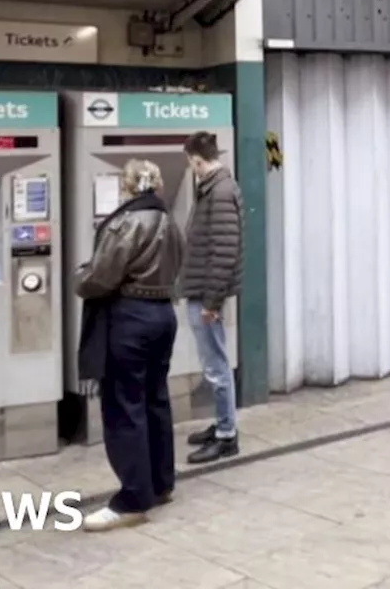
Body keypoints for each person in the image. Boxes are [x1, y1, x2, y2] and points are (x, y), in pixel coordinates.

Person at [75, 160, 184, 531]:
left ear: (125, 186)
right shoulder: (170, 220)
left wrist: (80, 277)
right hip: (163, 316)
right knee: (155, 400)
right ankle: (160, 482)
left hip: (129, 318)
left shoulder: (126, 223)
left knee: (124, 406)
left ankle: (133, 500)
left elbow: (100, 277)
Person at [181, 131, 245, 464]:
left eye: (191, 162)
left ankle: (226, 436)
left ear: (197, 159)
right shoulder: (214, 188)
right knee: (213, 363)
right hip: (203, 289)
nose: (191, 168)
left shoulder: (219, 192)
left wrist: (211, 303)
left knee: (217, 365)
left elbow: (224, 252)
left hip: (207, 293)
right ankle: (222, 423)